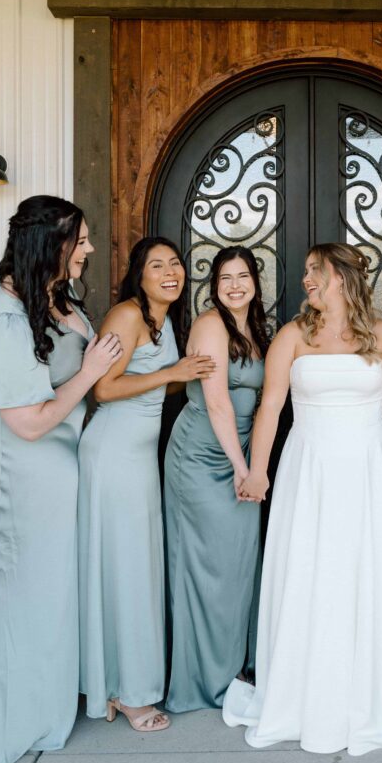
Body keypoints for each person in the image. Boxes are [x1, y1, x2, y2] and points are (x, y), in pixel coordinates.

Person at [223, 243, 382, 755]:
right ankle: (305, 692)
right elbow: (271, 408)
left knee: (368, 573)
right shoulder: (292, 337)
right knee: (313, 571)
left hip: (372, 468)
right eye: (304, 272)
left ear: (341, 277)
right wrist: (258, 471)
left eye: (314, 272)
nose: (306, 280)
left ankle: (373, 691)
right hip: (311, 470)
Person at [0, 196, 123, 763]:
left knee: (48, 589)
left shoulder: (54, 298)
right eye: (82, 240)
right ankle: (7, 713)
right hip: (17, 470)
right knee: (12, 593)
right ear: (53, 244)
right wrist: (90, 373)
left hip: (56, 466)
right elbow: (30, 421)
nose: (90, 249)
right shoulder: (2, 317)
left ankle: (45, 699)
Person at [78, 237, 215, 731]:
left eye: (175, 263)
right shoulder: (127, 315)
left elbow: (162, 378)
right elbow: (104, 388)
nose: (170, 271)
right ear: (139, 274)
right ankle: (127, 692)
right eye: (157, 265)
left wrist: (193, 373)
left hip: (137, 456)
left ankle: (119, 682)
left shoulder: (164, 322)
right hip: (112, 452)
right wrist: (173, 372)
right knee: (126, 569)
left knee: (131, 568)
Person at [164, 246, 269, 712]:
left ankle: (236, 664)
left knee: (239, 560)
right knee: (209, 563)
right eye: (225, 277)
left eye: (242, 275)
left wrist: (249, 463)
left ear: (255, 282)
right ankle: (205, 676)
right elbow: (218, 403)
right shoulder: (210, 326)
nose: (234, 285)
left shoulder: (257, 329)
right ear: (214, 285)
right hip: (203, 458)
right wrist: (243, 469)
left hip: (239, 453)